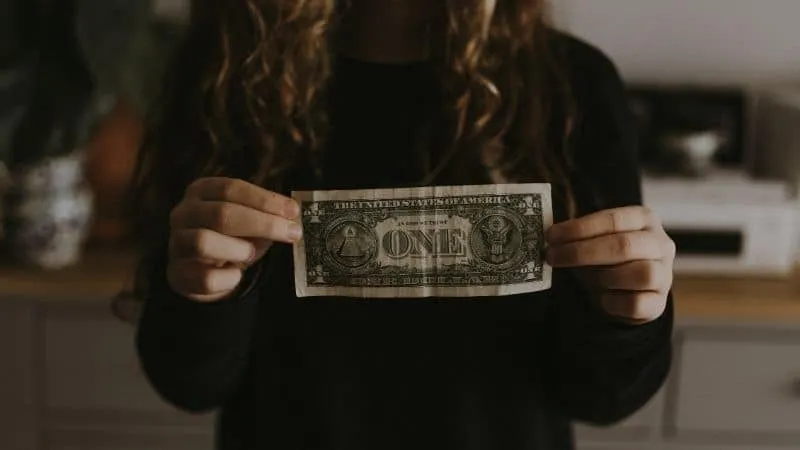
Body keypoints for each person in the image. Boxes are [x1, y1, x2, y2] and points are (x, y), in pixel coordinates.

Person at [128, 1, 676, 449]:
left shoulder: (572, 86)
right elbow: (189, 383)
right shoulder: (221, 75)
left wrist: (627, 315)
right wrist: (199, 291)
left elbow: (602, 398)